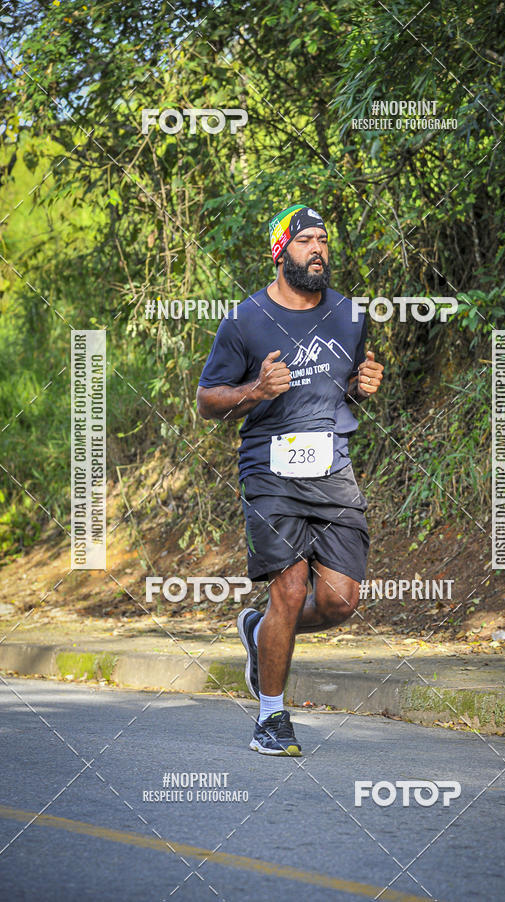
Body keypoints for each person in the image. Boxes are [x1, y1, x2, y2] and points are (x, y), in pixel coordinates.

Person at [196, 204, 383, 756]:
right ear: (281, 252)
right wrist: (254, 390)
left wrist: (362, 385)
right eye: (304, 240)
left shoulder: (350, 314)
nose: (318, 249)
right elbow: (207, 400)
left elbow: (340, 389)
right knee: (290, 588)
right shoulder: (246, 318)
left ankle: (259, 634)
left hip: (331, 465)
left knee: (340, 601)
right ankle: (271, 718)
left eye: (323, 239)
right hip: (269, 467)